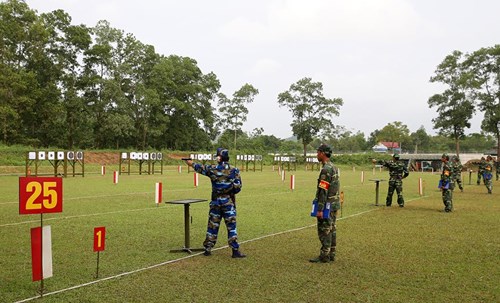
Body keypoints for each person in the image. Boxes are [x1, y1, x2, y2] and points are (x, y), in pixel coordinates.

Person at [184, 148, 246, 258]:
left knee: (212, 226)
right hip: (228, 202)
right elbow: (238, 188)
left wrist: (190, 163)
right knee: (231, 227)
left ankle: (208, 248)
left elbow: (199, 168)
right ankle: (235, 251)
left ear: (219, 157)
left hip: (216, 202)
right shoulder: (234, 170)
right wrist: (229, 190)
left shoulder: (212, 169)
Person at [309, 144, 340, 263]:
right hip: (334, 203)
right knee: (332, 228)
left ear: (322, 153)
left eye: (318, 152)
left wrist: (320, 209)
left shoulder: (326, 169)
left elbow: (323, 190)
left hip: (327, 204)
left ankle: (324, 255)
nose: (317, 155)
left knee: (325, 229)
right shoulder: (334, 167)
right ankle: (332, 253)